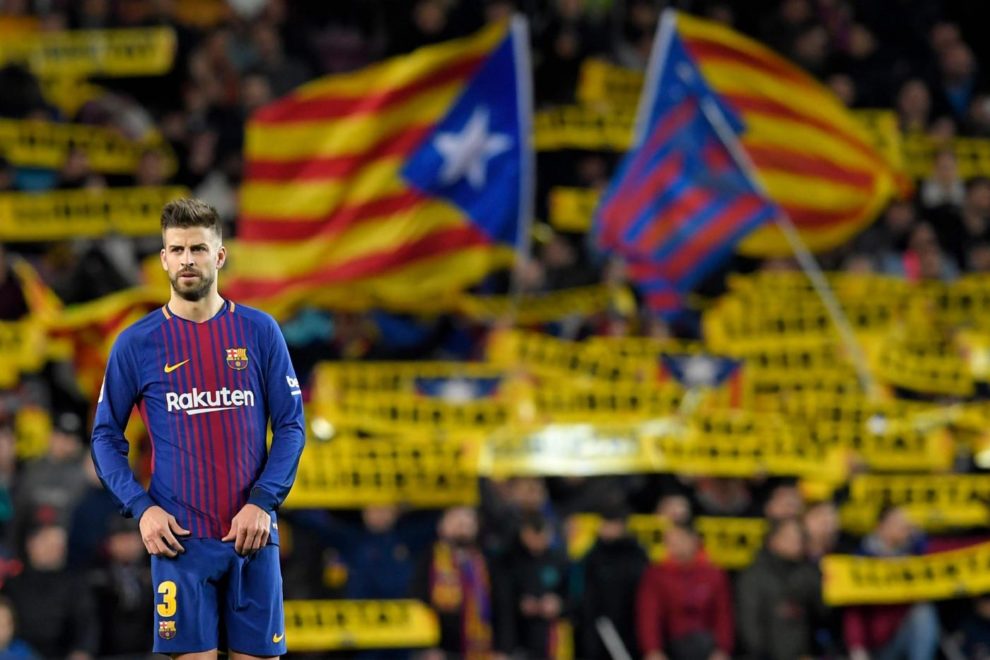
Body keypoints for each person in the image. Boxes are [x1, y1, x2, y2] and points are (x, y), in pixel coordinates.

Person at [91, 198, 306, 659]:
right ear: (164, 258)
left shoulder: (259, 331)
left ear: (220, 255)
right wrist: (141, 508)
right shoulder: (136, 343)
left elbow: (291, 425)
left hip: (253, 536)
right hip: (180, 543)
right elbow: (105, 437)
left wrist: (262, 502)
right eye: (178, 249)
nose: (188, 259)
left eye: (198, 249)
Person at [636, 521, 734, 660]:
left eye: (679, 540)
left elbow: (723, 614)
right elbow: (649, 616)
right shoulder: (656, 575)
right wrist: (652, 650)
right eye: (670, 542)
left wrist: (723, 649)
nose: (674, 546)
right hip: (671, 645)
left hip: (707, 645)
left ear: (694, 540)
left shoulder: (714, 574)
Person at [735, 518, 825, 660]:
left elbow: (823, 613)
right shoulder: (754, 574)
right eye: (789, 537)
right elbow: (749, 623)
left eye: (799, 537)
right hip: (765, 655)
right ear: (773, 540)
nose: (796, 542)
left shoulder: (808, 572)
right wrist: (760, 654)